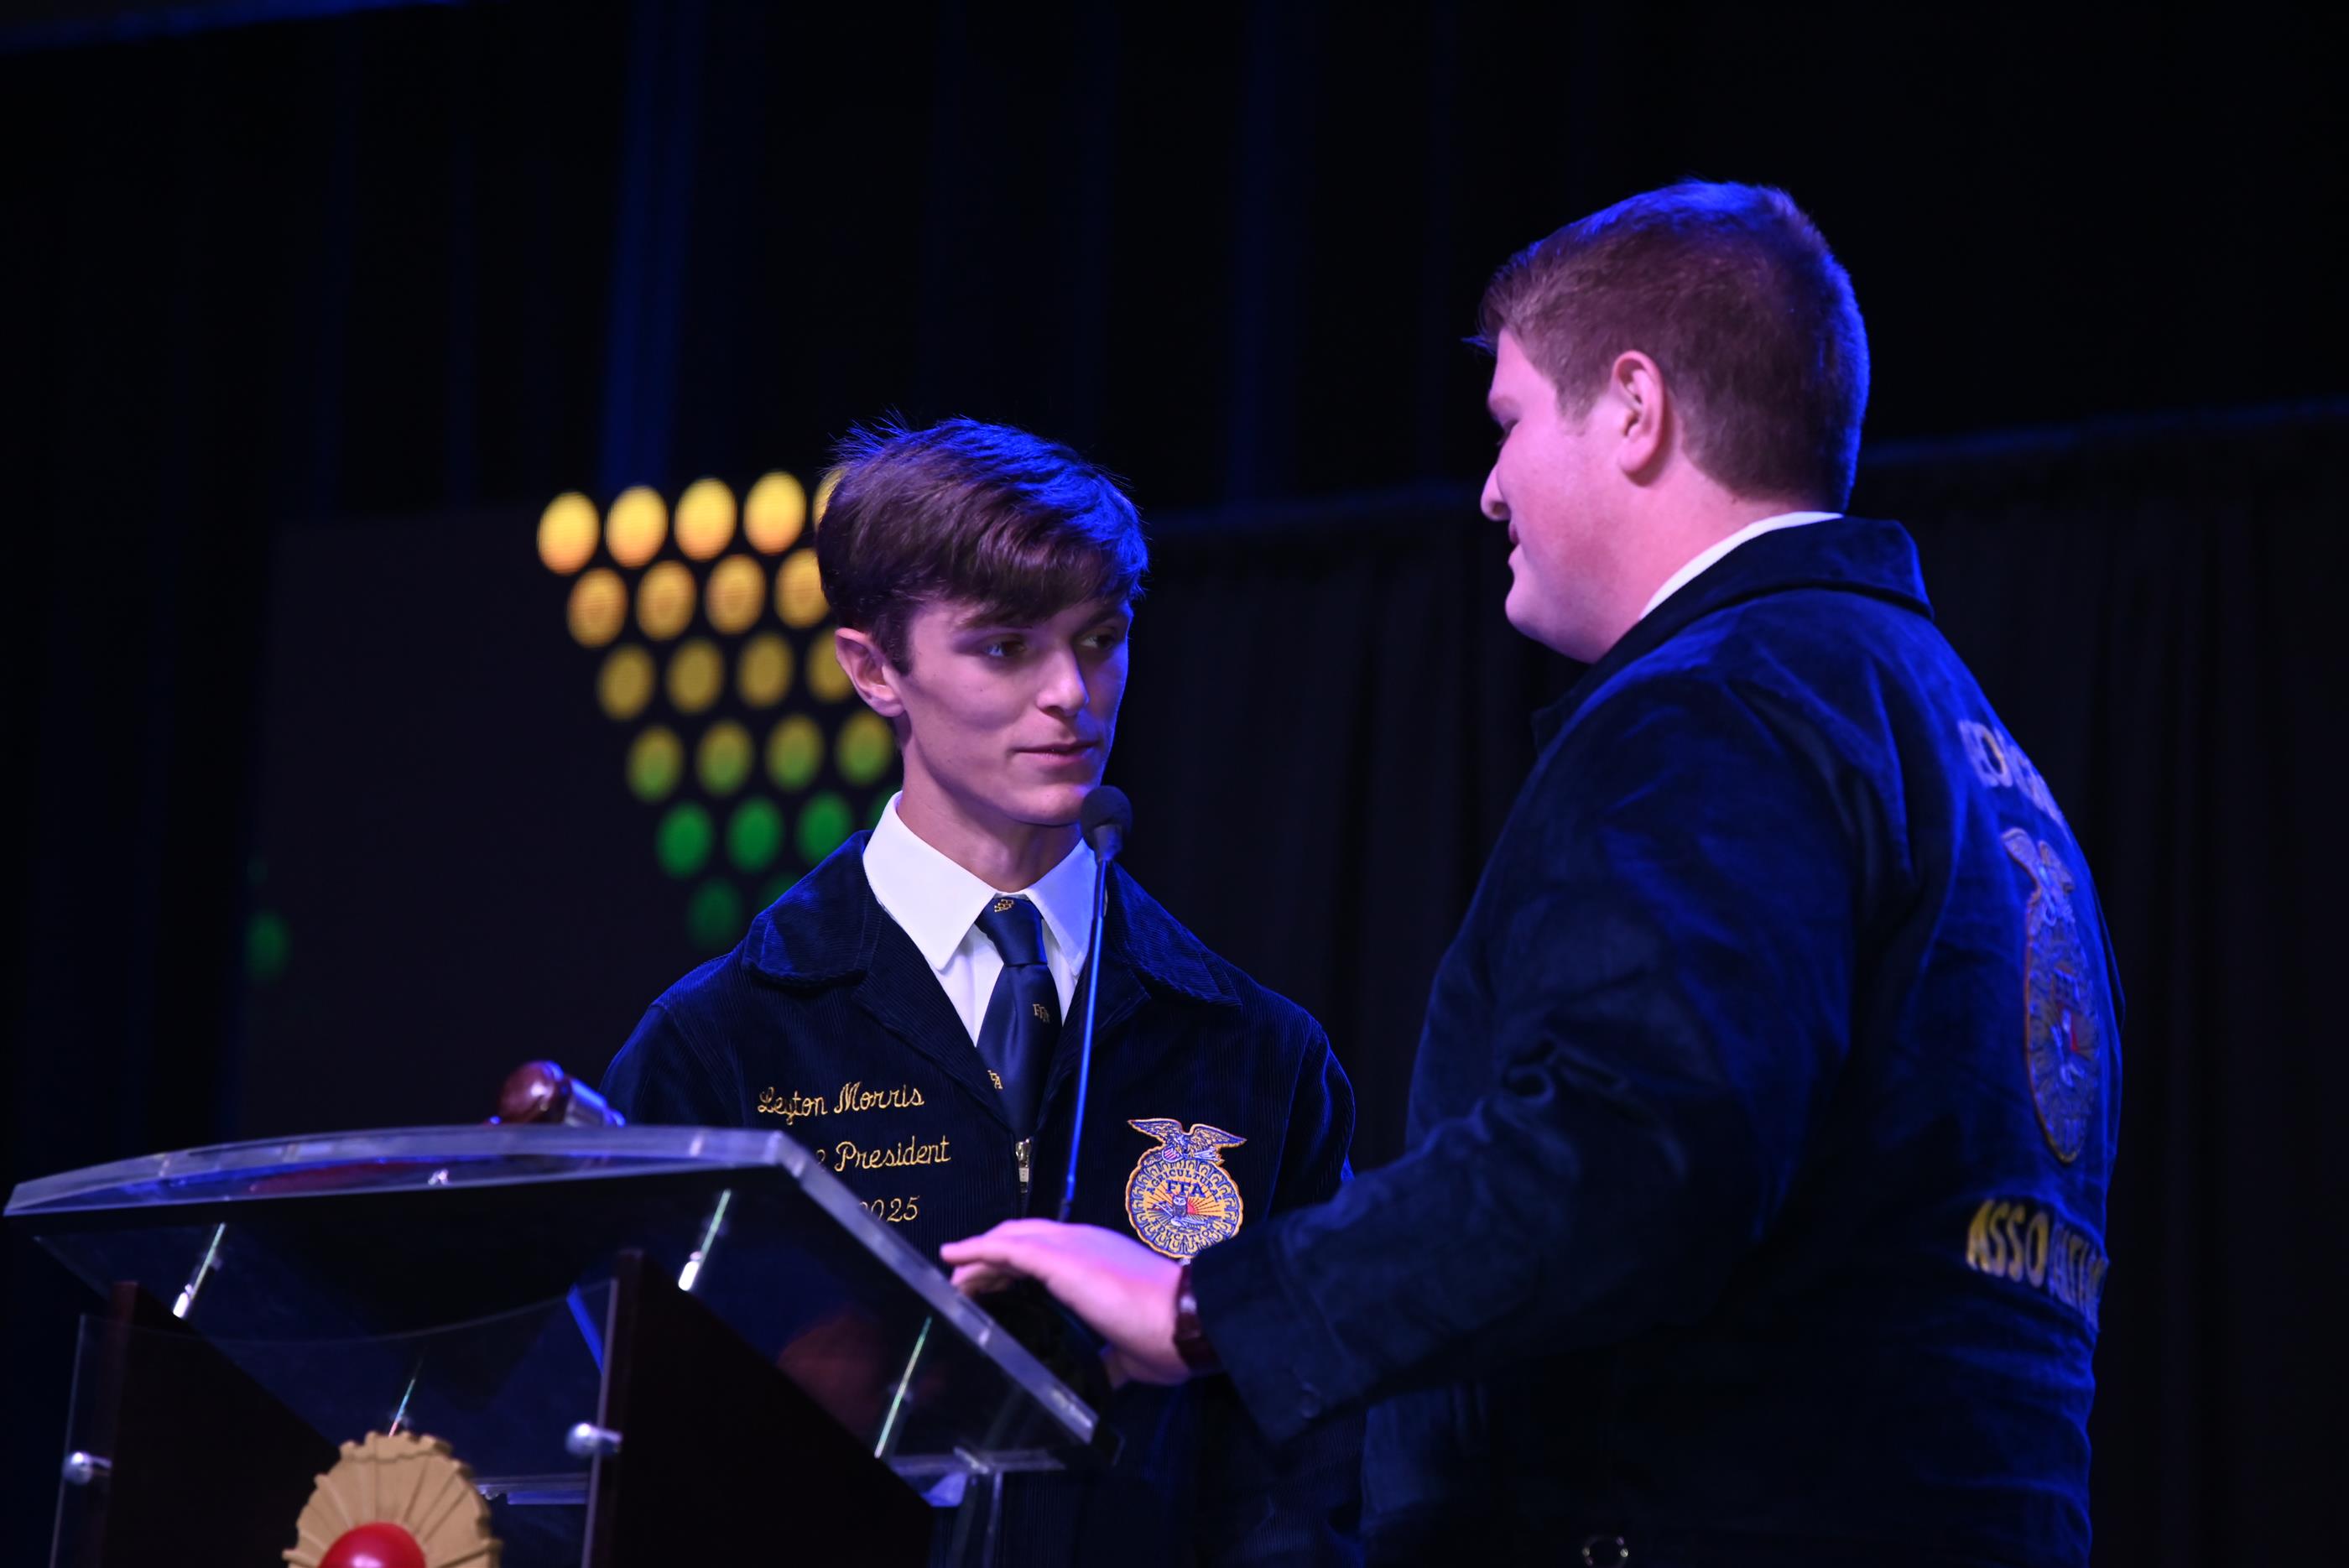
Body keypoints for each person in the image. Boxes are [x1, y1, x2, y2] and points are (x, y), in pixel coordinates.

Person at [943, 184, 2123, 1566]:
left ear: (1634, 409)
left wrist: (1207, 1306)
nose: (1490, 487)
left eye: (1507, 423)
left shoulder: (1721, 706)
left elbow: (1629, 1151)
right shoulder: (1964, 740)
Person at [602, 417, 1361, 1565]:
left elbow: (1315, 1471)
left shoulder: (1259, 1051)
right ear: (874, 670)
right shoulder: (721, 1044)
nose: (1072, 693)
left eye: (1101, 637)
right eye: (1004, 647)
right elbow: (641, 1463)